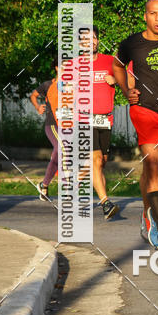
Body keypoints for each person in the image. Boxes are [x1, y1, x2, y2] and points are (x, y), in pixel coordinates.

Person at [113, 0, 158, 250]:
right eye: (153, 14)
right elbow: (117, 66)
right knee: (153, 167)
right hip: (144, 111)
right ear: (145, 16)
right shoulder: (132, 43)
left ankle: (149, 213)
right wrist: (125, 91)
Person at [68, 26, 120, 220]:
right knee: (96, 160)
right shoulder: (74, 65)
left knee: (100, 163)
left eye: (94, 38)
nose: (91, 42)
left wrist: (115, 79)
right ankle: (106, 203)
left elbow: (127, 79)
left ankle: (73, 185)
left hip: (105, 118)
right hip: (83, 119)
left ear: (98, 41)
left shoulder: (109, 61)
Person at [30, 60, 60, 201]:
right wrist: (37, 107)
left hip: (68, 126)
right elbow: (33, 95)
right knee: (61, 148)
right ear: (57, 68)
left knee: (57, 155)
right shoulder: (48, 85)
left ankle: (44, 185)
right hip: (52, 125)